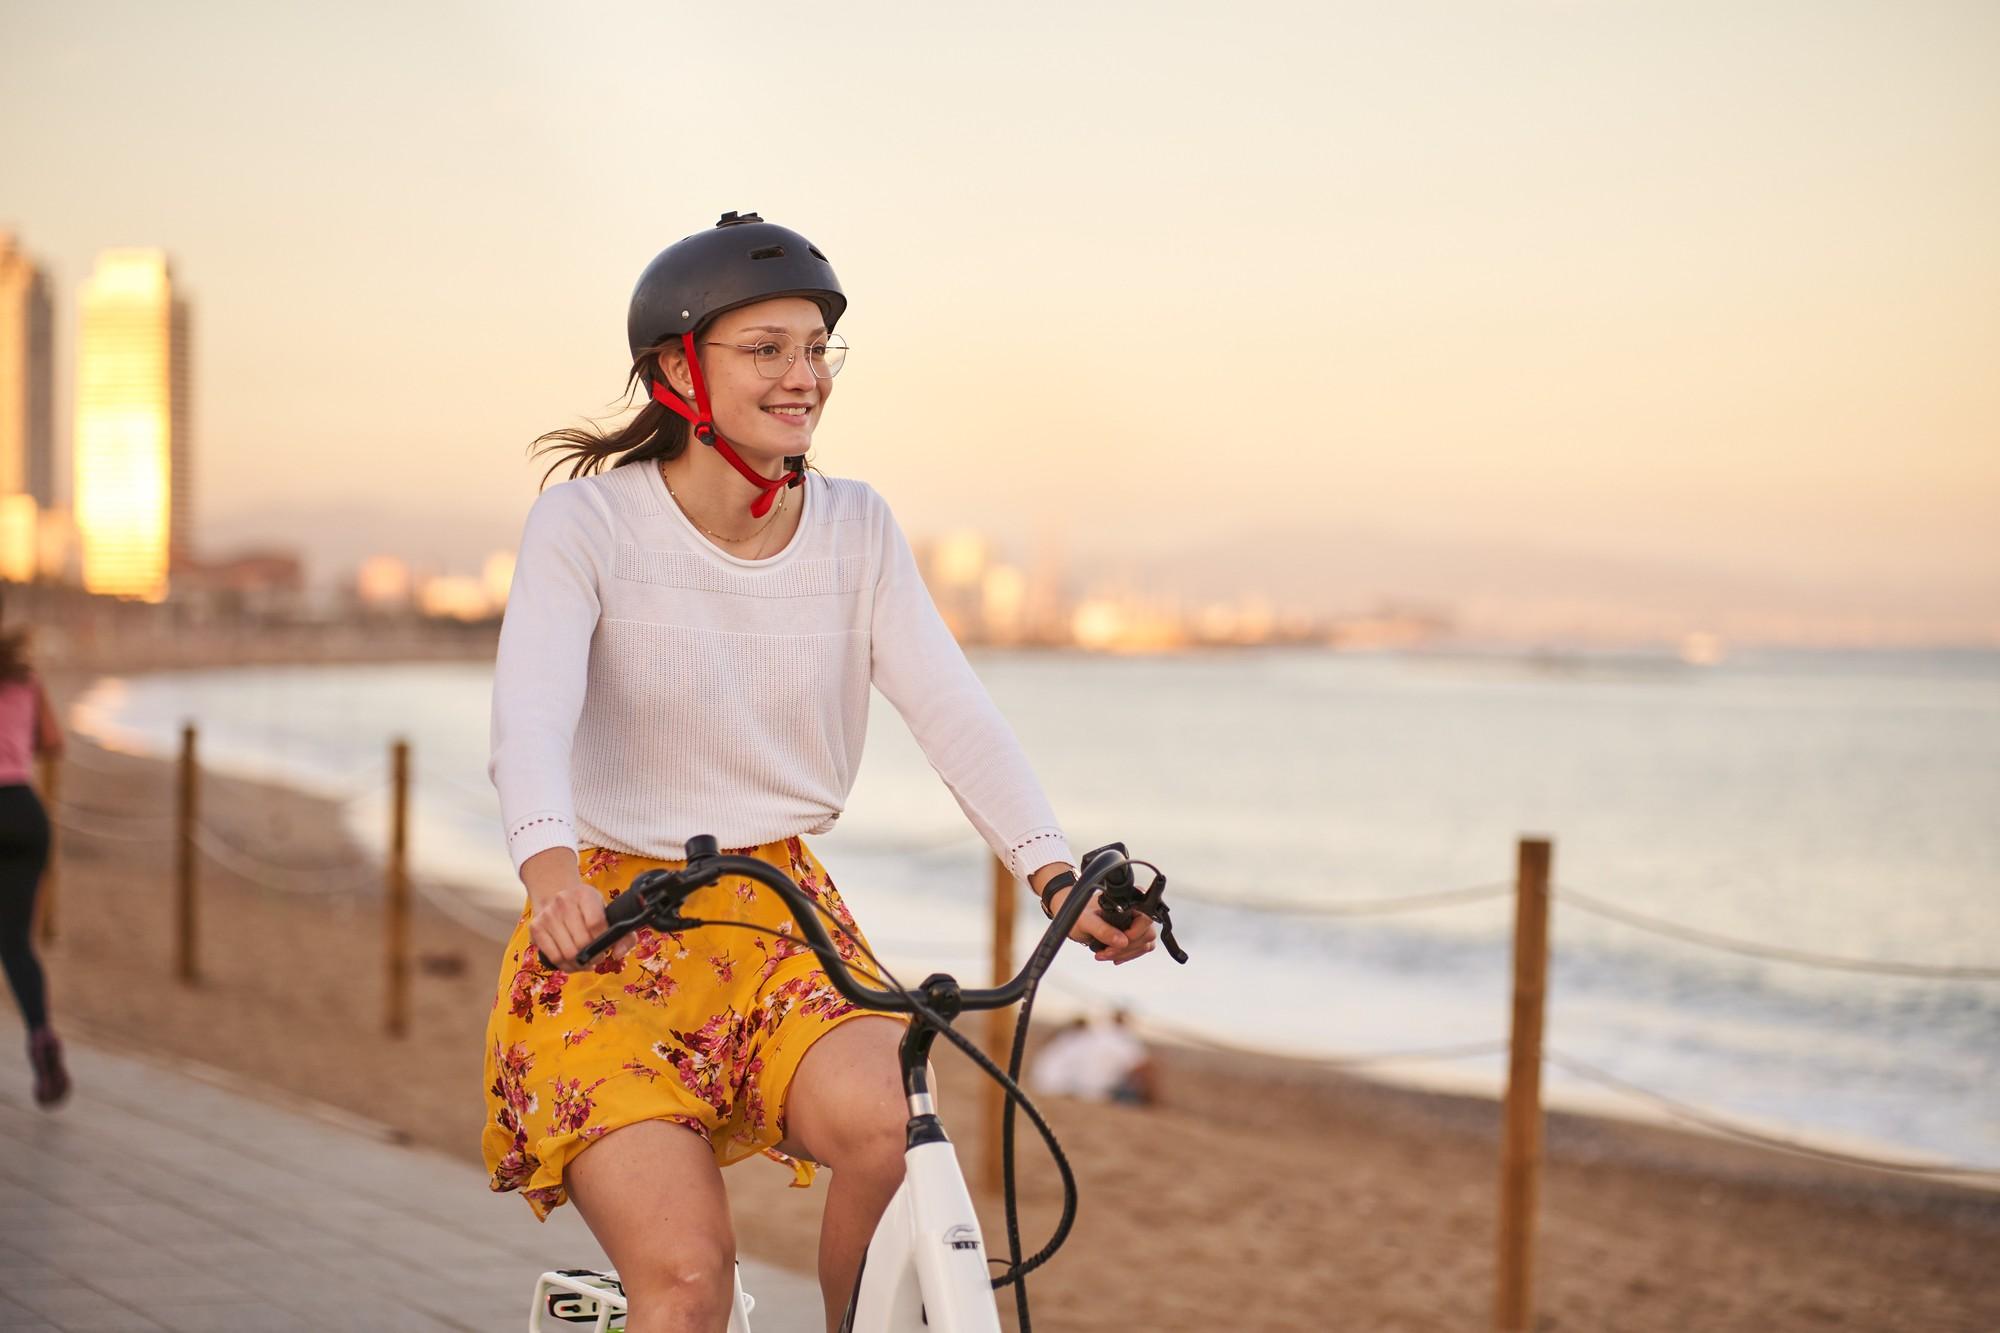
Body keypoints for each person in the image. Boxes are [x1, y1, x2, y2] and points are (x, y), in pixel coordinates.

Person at [481, 211, 1159, 1333]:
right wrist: (551, 875)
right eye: (767, 350)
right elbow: (530, 718)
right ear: (675, 368)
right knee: (688, 1282)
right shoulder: (586, 524)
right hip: (605, 928)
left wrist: (1055, 877)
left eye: (817, 350)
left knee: (899, 1123)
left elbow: (954, 711)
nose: (804, 378)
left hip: (775, 918)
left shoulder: (856, 529)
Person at [0, 600, 68, 1108]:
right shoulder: (28, 679)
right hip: (25, 811)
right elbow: (54, 741)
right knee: (17, 944)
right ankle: (42, 1036)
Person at [1029, 1009, 1156, 1106]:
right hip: (1089, 1090)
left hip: (1045, 1083)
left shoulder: (1089, 1035)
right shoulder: (1122, 1040)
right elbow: (1142, 1066)